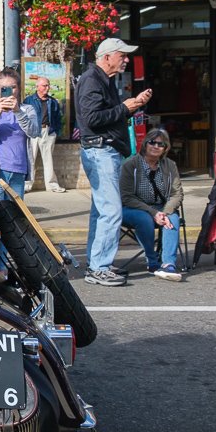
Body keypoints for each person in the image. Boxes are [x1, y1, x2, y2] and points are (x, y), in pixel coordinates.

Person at [76, 37, 153, 287]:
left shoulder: (102, 80)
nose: (127, 60)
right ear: (107, 56)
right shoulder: (92, 80)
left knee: (102, 211)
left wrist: (133, 105)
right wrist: (124, 108)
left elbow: (103, 115)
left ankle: (96, 263)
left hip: (104, 151)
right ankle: (99, 267)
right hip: (100, 151)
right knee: (111, 212)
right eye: (123, 55)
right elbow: (91, 119)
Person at [120, 128, 185, 281]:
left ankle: (168, 264)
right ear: (145, 144)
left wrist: (166, 211)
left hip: (161, 208)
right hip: (133, 208)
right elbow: (126, 197)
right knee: (144, 219)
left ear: (165, 148)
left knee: (173, 218)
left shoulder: (170, 165)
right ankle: (152, 260)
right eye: (152, 142)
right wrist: (152, 213)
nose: (156, 146)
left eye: (161, 144)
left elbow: (177, 194)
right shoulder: (130, 165)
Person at [0, 68, 40, 201]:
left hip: (18, 170)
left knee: (15, 216)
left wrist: (17, 112)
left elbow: (34, 132)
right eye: (3, 88)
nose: (9, 91)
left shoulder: (27, 109)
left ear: (19, 89)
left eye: (13, 87)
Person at [24, 76, 67, 193]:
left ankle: (52, 185)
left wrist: (55, 132)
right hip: (33, 132)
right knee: (30, 158)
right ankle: (27, 185)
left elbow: (58, 117)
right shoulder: (29, 100)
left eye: (48, 85)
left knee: (48, 159)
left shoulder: (52, 101)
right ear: (37, 87)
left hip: (48, 132)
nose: (47, 88)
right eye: (44, 85)